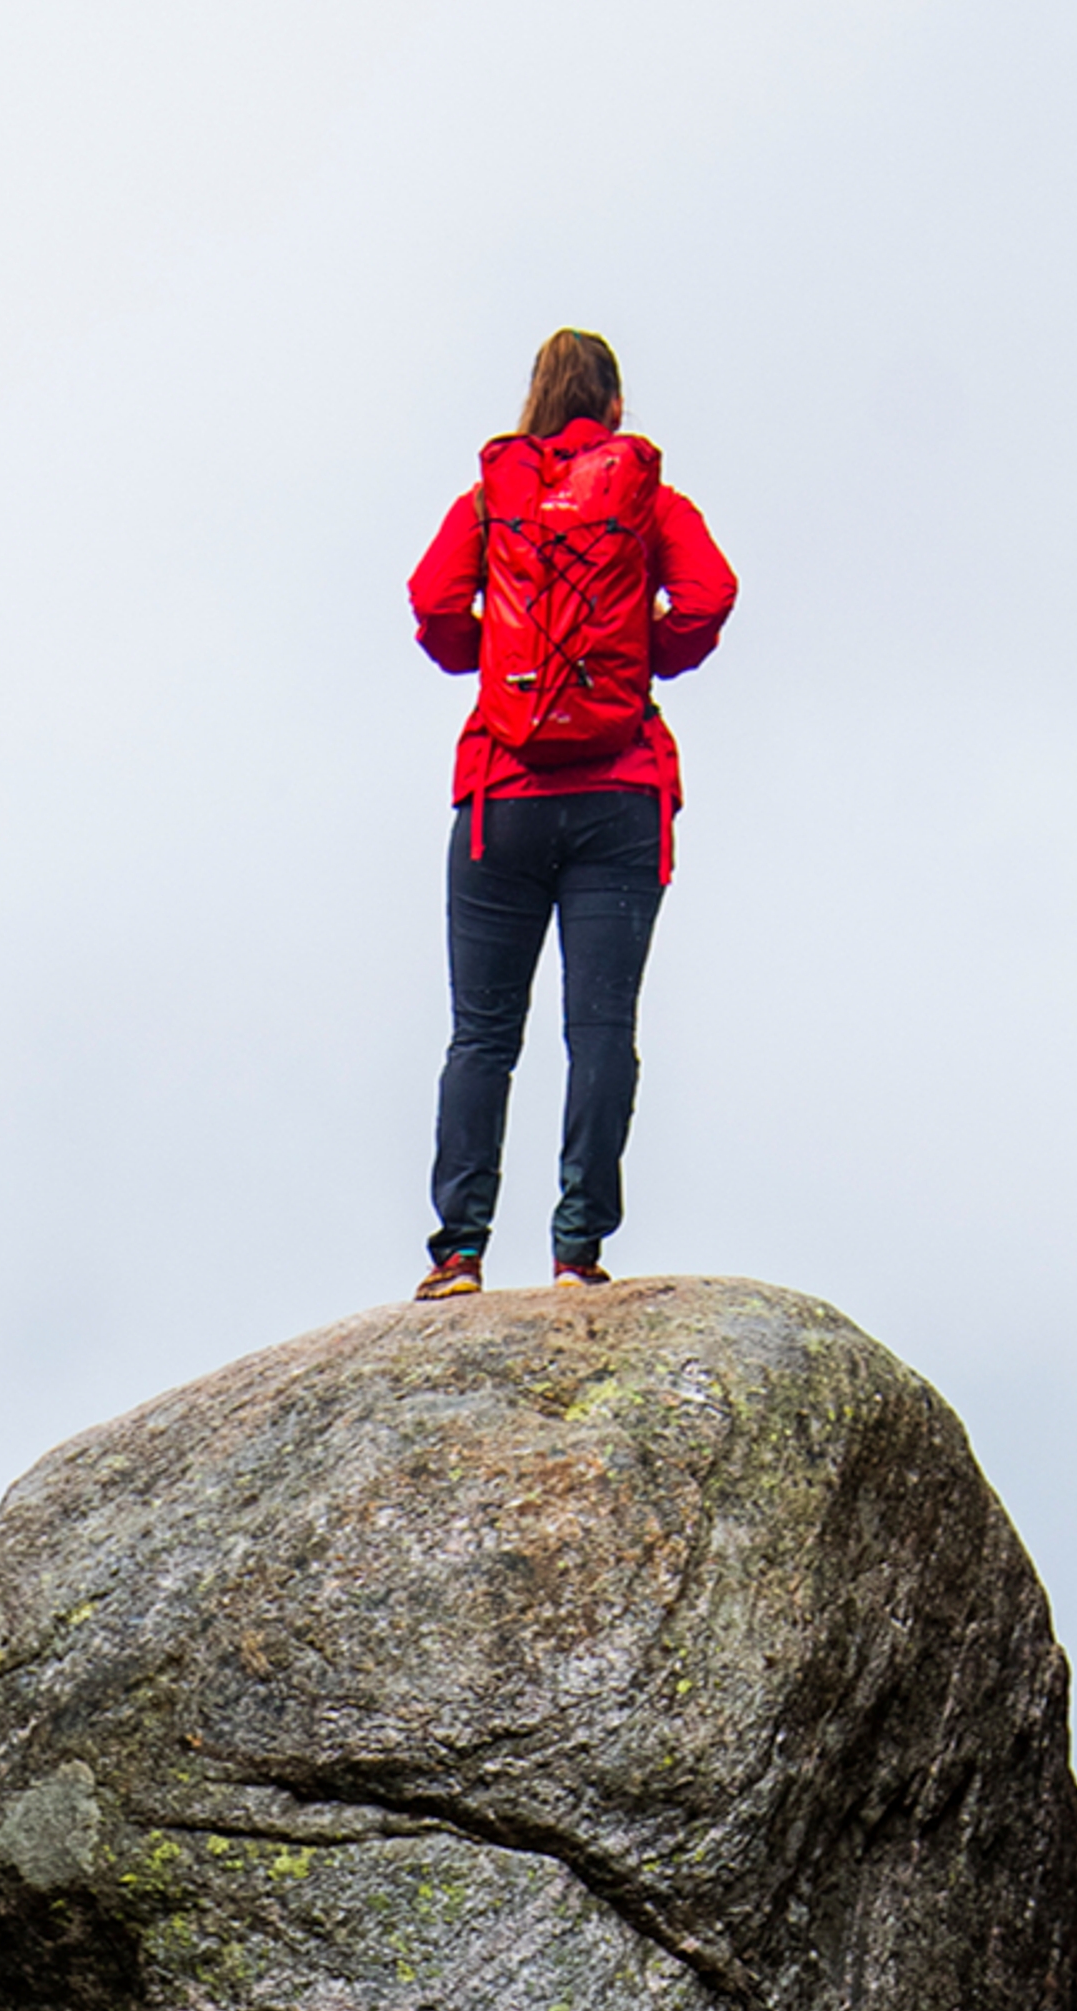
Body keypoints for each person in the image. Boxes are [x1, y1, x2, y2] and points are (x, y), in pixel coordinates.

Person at [403, 328, 737, 1300]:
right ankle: (576, 1252)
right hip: (619, 796)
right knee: (599, 1031)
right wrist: (645, 655)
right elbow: (711, 594)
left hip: (500, 797)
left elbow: (431, 603)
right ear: (616, 408)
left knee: (481, 1037)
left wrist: (491, 668)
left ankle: (458, 1253)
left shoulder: (489, 498)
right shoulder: (650, 499)